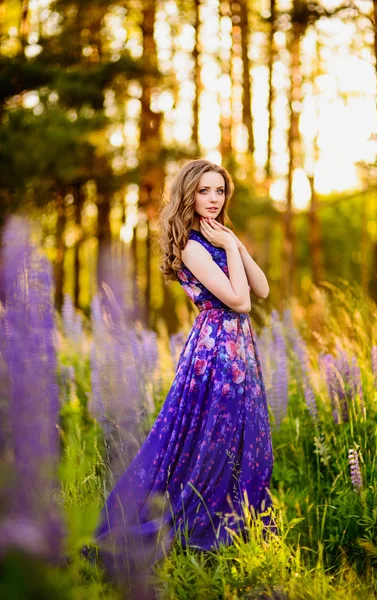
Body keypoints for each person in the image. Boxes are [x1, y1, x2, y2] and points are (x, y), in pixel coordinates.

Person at [90, 159, 275, 594]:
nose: (214, 199)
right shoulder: (193, 245)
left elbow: (263, 289)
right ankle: (194, 526)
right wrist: (229, 250)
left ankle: (234, 523)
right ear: (188, 195)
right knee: (205, 437)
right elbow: (239, 301)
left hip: (239, 351)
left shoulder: (220, 236)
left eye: (220, 191)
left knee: (239, 435)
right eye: (205, 191)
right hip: (214, 352)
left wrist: (236, 244)